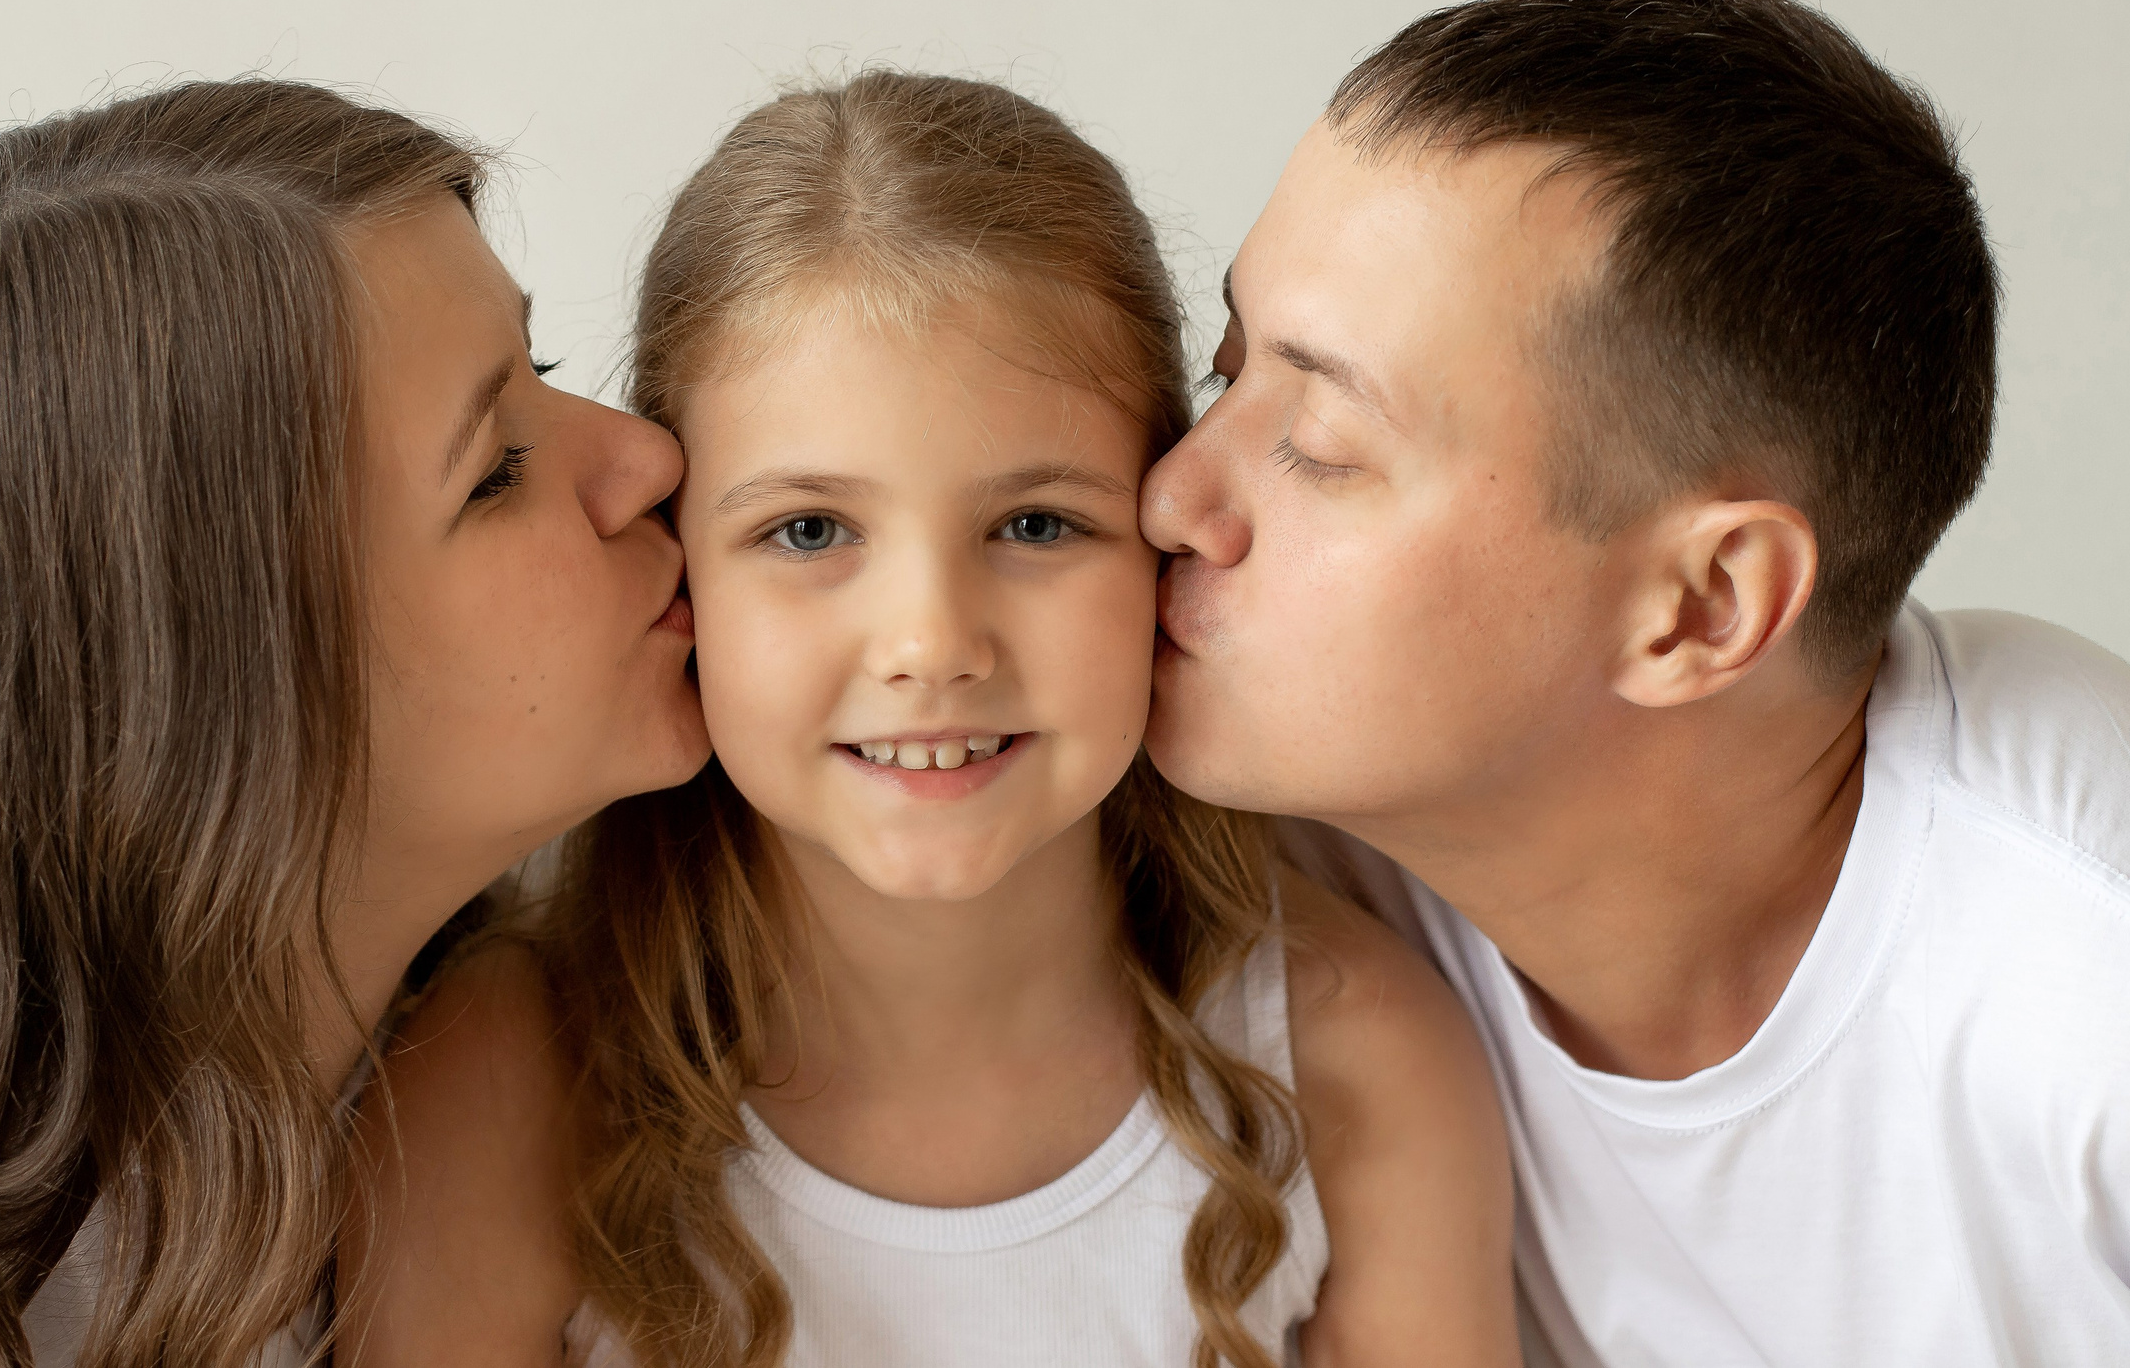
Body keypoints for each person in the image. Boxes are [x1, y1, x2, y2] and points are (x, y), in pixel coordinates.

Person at [343, 71, 1519, 1368]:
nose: (931, 645)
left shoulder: (1356, 1061)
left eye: (1036, 524)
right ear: (681, 567)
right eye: (809, 531)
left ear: (1163, 530)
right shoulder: (507, 1082)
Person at [1140, 0, 2130, 1365]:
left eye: (1324, 446)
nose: (1173, 497)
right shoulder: (1267, 861)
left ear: (1702, 608)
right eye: (1226, 373)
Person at [0, 79, 709, 1367]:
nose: (648, 457)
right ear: (204, 695)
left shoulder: (616, 1052)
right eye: (496, 470)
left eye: (546, 369)